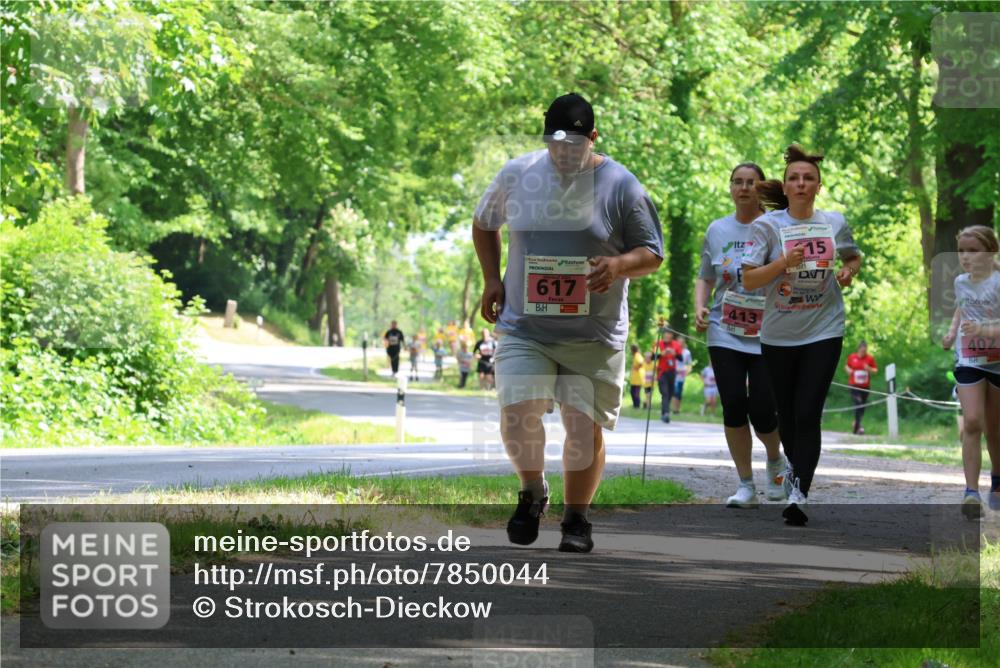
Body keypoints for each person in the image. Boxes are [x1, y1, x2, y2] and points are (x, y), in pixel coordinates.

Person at [473, 92, 663, 553]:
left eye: (574, 145)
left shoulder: (621, 185)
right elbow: (484, 223)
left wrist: (618, 266)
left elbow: (652, 253)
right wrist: (491, 280)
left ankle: (577, 519)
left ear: (593, 138)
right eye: (555, 143)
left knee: (582, 429)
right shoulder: (519, 174)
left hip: (591, 334)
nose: (563, 153)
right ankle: (532, 491)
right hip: (525, 327)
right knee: (518, 413)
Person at [742, 144, 862, 526]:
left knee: (809, 412)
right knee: (788, 416)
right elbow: (748, 279)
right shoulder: (768, 226)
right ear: (787, 185)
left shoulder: (835, 222)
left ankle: (799, 493)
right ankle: (795, 469)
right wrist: (782, 263)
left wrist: (848, 272)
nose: (801, 183)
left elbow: (853, 256)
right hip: (778, 333)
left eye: (808, 178)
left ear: (818, 186)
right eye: (794, 177)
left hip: (824, 328)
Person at [695, 162, 786, 508]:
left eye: (751, 182)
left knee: (763, 411)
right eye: (738, 182)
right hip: (725, 328)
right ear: (731, 188)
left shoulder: (778, 227)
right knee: (733, 404)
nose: (744, 188)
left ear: (762, 188)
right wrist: (701, 306)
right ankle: (745, 484)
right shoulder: (717, 230)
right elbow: (705, 276)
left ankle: (776, 460)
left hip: (769, 331)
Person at [941, 225, 1000, 519]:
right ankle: (971, 492)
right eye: (962, 251)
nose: (965, 257)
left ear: (991, 252)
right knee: (973, 422)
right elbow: (962, 309)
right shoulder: (961, 282)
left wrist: (984, 330)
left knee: (995, 429)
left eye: (973, 250)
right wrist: (952, 333)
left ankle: (998, 482)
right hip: (968, 360)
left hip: (998, 362)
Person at [845, 340, 878, 435]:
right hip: (854, 385)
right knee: (858, 403)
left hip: (865, 386)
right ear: (859, 349)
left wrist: (869, 369)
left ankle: (856, 424)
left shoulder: (869, 358)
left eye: (865, 351)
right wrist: (849, 370)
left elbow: (875, 370)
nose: (863, 353)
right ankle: (857, 428)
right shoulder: (852, 357)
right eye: (862, 351)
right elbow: (847, 366)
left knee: (862, 407)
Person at [654, 325, 682, 423]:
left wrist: (675, 354)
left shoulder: (676, 344)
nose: (667, 336)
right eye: (666, 334)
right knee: (665, 393)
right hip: (662, 372)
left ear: (672, 335)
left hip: (672, 372)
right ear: (663, 335)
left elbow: (681, 358)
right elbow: (654, 357)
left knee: (670, 393)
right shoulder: (658, 343)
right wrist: (662, 353)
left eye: (669, 334)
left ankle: (663, 413)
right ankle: (666, 413)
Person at [671, 336, 693, 414]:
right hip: (673, 373)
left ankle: (678, 408)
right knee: (675, 392)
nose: (680, 343)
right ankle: (674, 409)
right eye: (678, 342)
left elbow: (690, 364)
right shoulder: (673, 350)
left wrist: (687, 372)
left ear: (683, 343)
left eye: (681, 342)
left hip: (681, 375)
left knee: (679, 393)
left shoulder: (687, 352)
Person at [629, 343, 644, 409]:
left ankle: (637, 405)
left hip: (638, 378)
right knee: (632, 391)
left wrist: (637, 368)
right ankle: (635, 405)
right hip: (635, 378)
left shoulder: (637, 355)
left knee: (636, 392)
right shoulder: (635, 355)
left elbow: (641, 363)